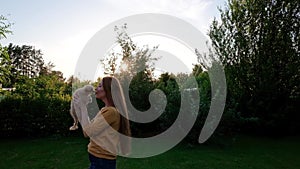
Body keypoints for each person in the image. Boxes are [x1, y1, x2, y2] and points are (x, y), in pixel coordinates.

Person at [74, 76, 131, 169]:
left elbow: (88, 132)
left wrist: (83, 107)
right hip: (99, 160)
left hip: (102, 162)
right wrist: (81, 107)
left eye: (100, 86)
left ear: (109, 90)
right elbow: (86, 130)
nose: (96, 88)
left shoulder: (111, 112)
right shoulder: (105, 110)